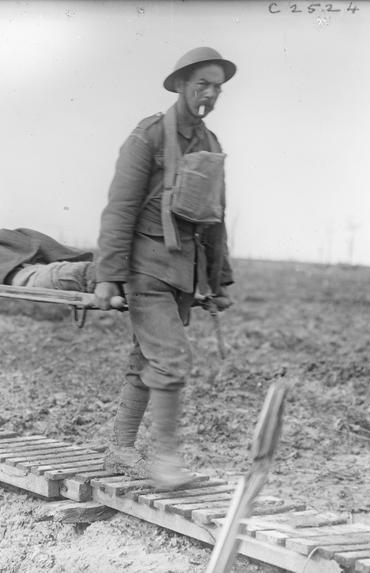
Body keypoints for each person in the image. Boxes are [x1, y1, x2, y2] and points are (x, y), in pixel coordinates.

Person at [93, 47, 236, 488]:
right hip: (146, 269)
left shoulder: (211, 145)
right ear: (180, 85)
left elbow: (215, 216)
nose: (210, 93)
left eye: (217, 87)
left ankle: (119, 449)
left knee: (147, 358)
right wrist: (107, 277)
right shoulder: (150, 136)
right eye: (202, 84)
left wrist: (217, 281)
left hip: (183, 274)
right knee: (171, 359)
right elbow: (120, 209)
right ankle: (166, 460)